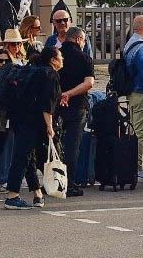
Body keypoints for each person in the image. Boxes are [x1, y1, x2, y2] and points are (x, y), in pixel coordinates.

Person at [2, 45, 62, 210]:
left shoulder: (33, 70)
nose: (62, 59)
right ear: (53, 60)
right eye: (60, 56)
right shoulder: (50, 74)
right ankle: (12, 195)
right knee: (22, 157)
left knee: (29, 157)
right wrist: (50, 127)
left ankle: (37, 193)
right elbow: (46, 104)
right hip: (33, 122)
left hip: (18, 118)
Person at [56, 26, 95, 196]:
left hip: (54, 105)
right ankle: (69, 183)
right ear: (79, 39)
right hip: (77, 105)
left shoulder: (55, 55)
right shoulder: (84, 58)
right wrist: (69, 94)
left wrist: (59, 95)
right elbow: (89, 83)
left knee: (54, 143)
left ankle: (53, 180)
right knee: (72, 145)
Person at [123, 15, 143, 180]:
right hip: (142, 92)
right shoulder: (142, 47)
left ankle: (130, 166)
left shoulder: (130, 44)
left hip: (132, 92)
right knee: (140, 133)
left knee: (132, 130)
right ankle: (137, 168)